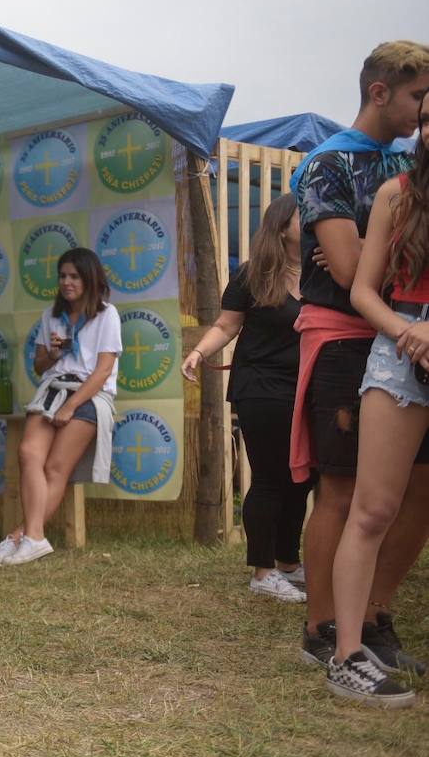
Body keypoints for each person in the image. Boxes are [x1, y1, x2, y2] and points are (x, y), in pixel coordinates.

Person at [288, 41, 429, 674]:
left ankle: (372, 614)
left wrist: (365, 239)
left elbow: (361, 255)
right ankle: (324, 627)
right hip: (349, 340)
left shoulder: (408, 163)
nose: (422, 112)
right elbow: (348, 272)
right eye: (417, 97)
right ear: (381, 92)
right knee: (342, 492)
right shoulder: (328, 164)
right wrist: (368, 247)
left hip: (398, 337)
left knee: (415, 496)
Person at [325, 90, 429, 707]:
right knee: (370, 510)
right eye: (426, 118)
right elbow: (363, 290)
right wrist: (409, 332)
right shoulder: (398, 194)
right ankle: (345, 656)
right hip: (401, 351)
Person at [181, 196, 310, 602]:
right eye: (301, 214)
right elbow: (226, 324)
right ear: (281, 226)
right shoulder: (253, 275)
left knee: (301, 479)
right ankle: (262, 571)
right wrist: (200, 352)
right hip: (261, 387)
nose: (313, 219)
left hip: (306, 387)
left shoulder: (324, 271)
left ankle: (289, 562)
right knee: (271, 477)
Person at [0, 249, 120, 567]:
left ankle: (22, 537)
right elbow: (39, 365)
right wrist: (56, 353)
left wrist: (72, 406)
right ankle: (31, 537)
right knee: (28, 453)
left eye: (74, 276)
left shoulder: (107, 314)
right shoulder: (52, 316)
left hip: (89, 394)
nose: (67, 282)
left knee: (55, 468)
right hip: (52, 389)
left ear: (89, 278)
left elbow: (102, 371)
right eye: (63, 276)